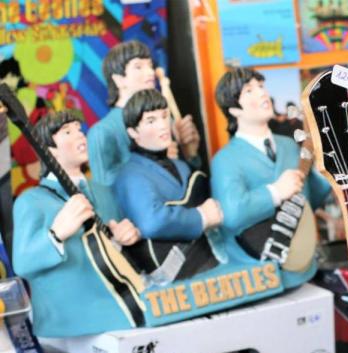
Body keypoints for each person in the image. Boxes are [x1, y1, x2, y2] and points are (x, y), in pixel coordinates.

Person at [12, 110, 142, 337]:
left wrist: (122, 239)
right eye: (67, 132)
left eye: (80, 130)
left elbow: (111, 249)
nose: (81, 135)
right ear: (48, 148)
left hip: (121, 304)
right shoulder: (31, 201)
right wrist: (55, 234)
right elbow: (23, 263)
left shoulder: (102, 192)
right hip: (69, 321)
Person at [210, 67, 332, 288]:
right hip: (257, 276)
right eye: (249, 90)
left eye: (261, 86)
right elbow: (232, 214)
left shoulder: (289, 146)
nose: (262, 93)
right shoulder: (225, 160)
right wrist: (275, 192)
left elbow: (307, 202)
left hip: (301, 267)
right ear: (233, 109)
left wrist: (325, 171)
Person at [89, 41, 200, 202]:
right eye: (138, 67)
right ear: (119, 80)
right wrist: (154, 162)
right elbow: (105, 194)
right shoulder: (103, 132)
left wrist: (189, 152)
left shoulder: (166, 119)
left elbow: (187, 185)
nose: (150, 72)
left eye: (150, 65)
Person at [114, 89, 222, 249]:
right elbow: (152, 222)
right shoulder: (130, 175)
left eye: (164, 116)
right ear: (133, 132)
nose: (163, 126)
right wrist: (201, 216)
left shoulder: (181, 166)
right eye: (151, 121)